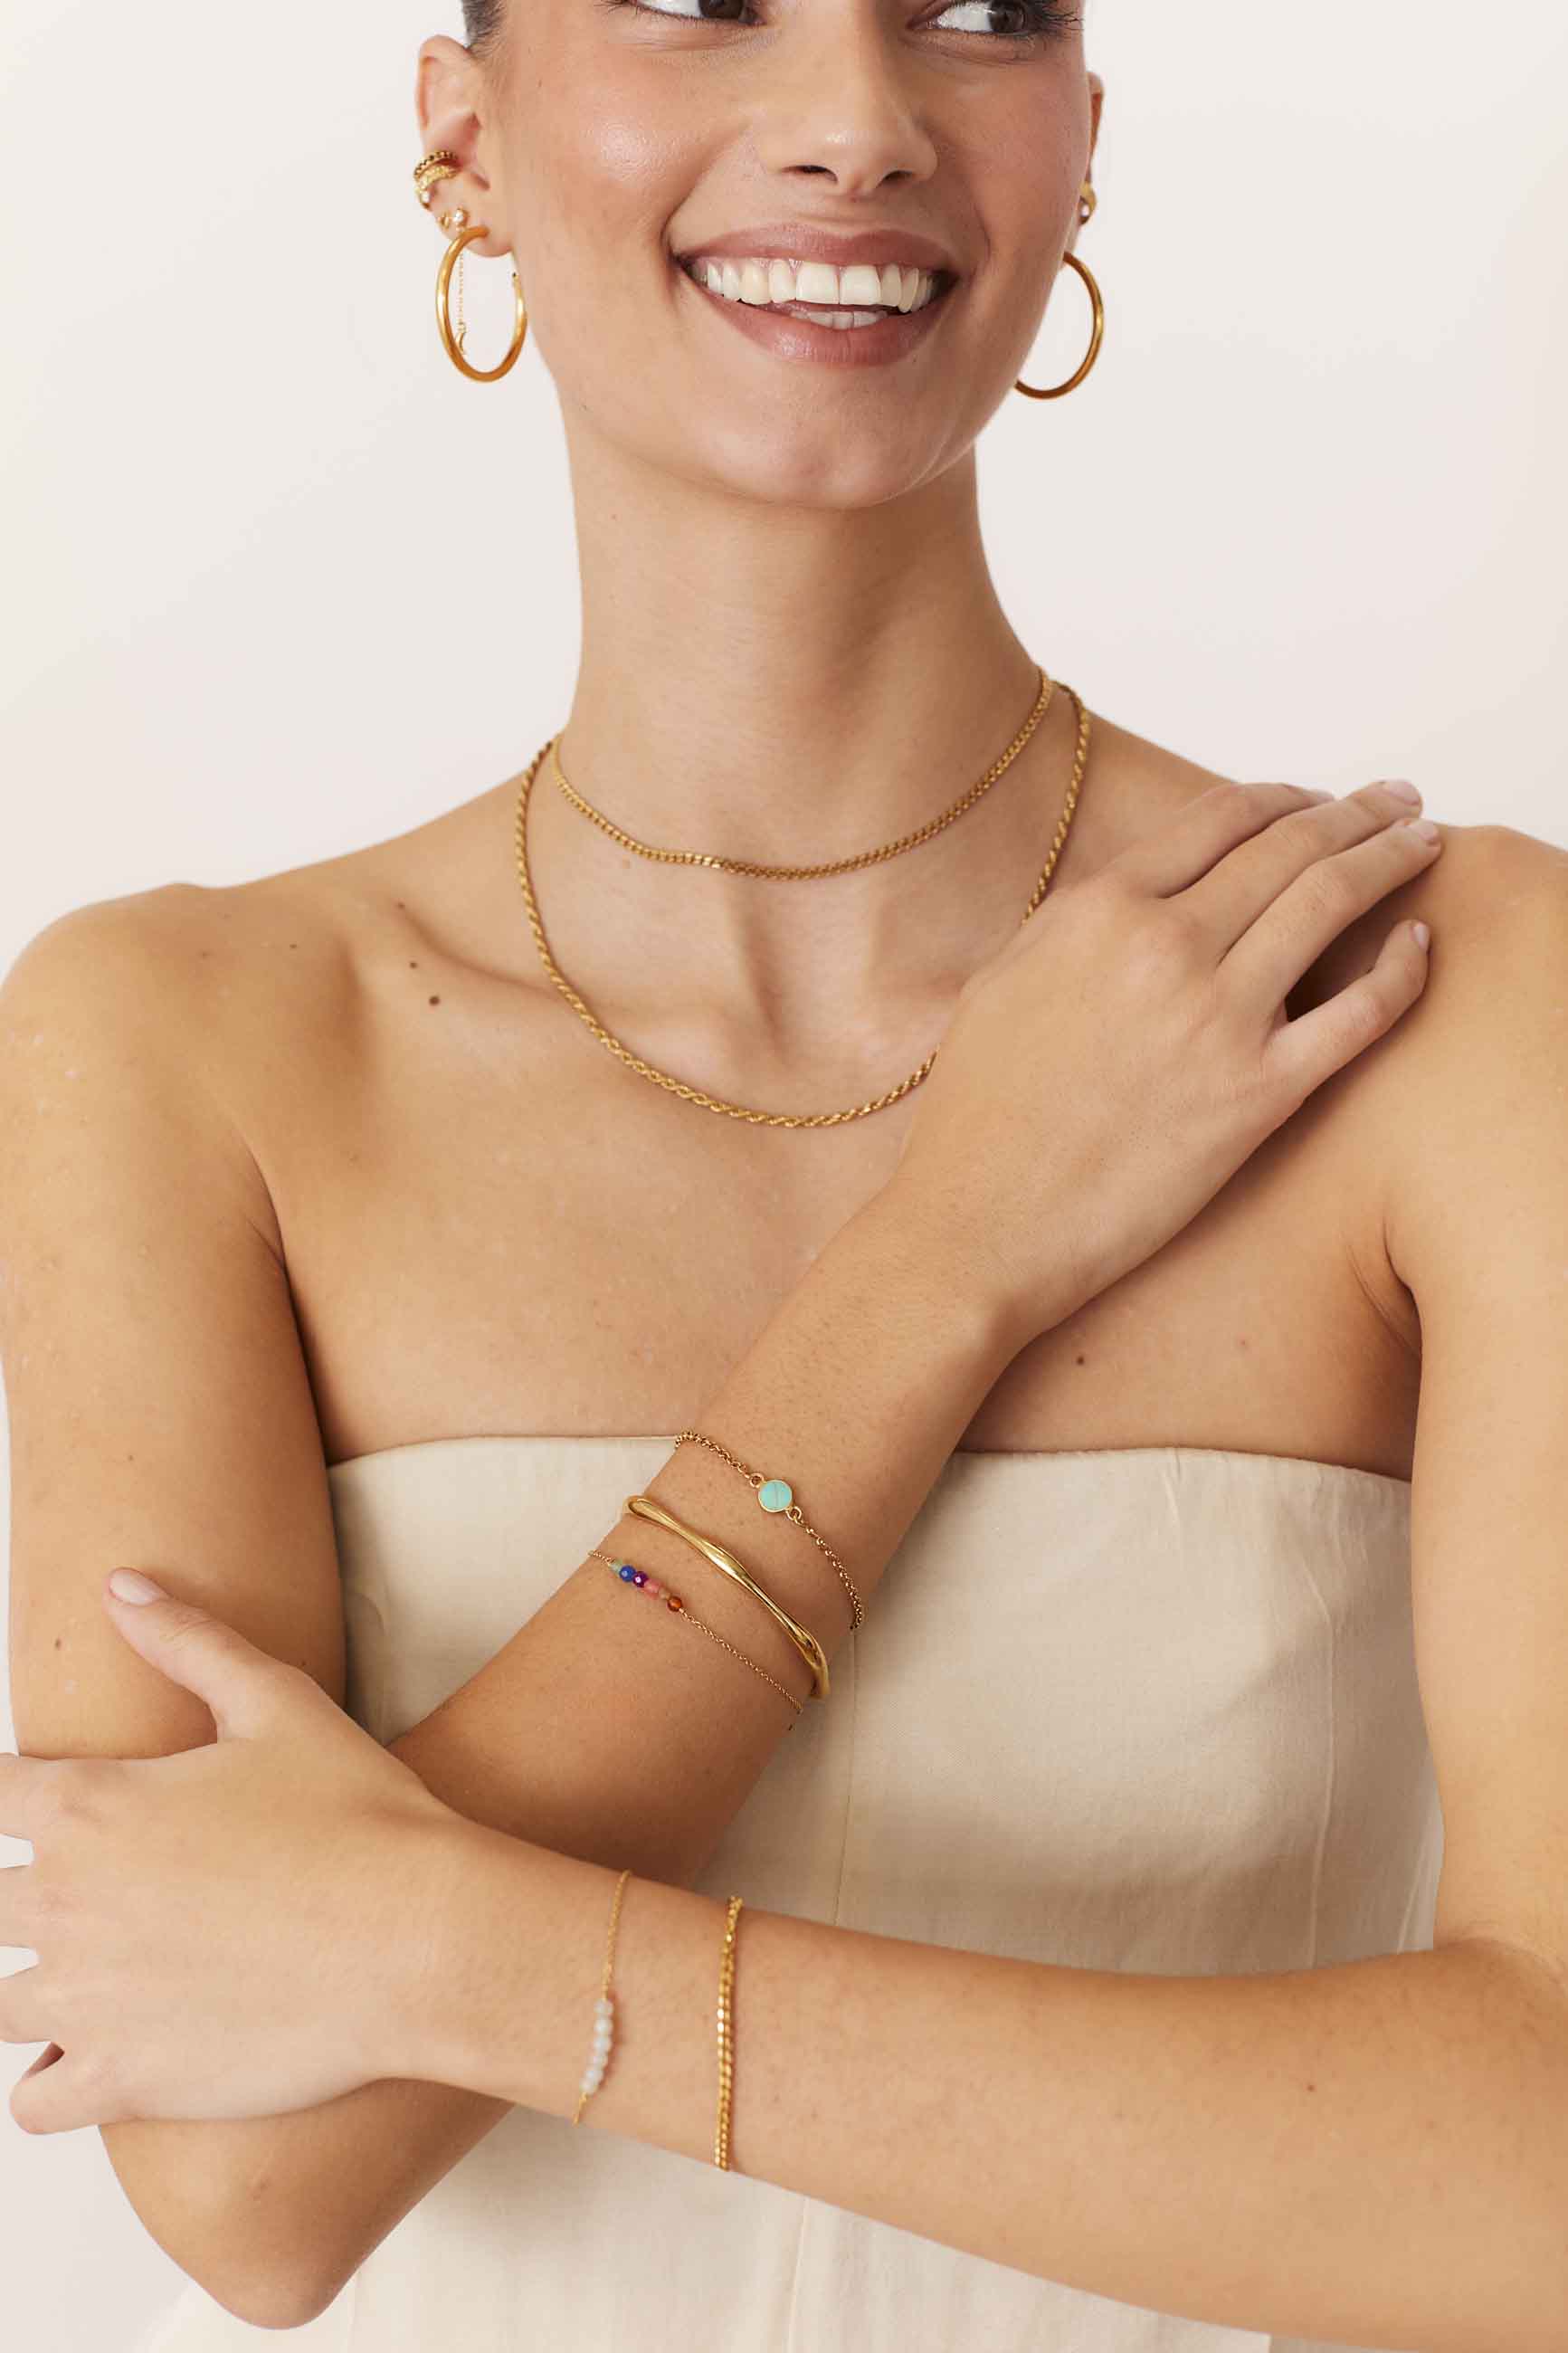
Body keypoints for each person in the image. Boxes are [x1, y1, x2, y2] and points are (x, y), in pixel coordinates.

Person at [4, 3, 1566, 2348]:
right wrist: (951, 1257)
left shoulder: (1453, 1000)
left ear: (1079, 141)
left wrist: (451, 1947)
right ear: (464, 139)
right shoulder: (184, 1041)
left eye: (979, 12)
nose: (854, 120)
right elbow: (248, 2185)